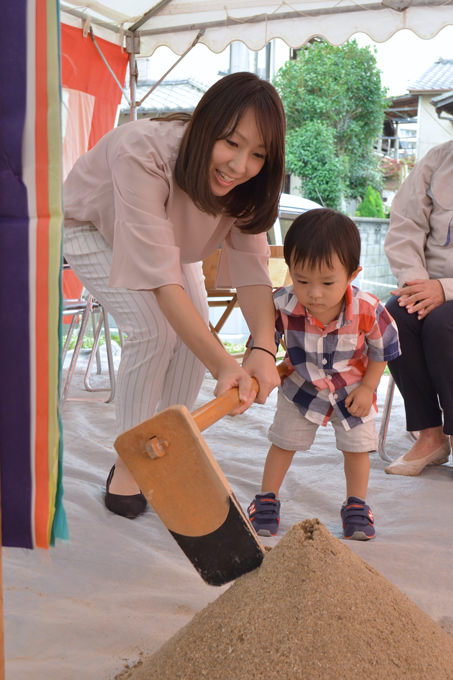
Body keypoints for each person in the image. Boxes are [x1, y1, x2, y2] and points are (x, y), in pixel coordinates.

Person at [63, 72, 285, 519]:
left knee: (187, 338)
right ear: (204, 125)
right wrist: (224, 365)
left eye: (258, 154)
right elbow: (163, 284)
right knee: (154, 332)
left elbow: (252, 269)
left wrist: (262, 345)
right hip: (90, 225)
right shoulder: (142, 149)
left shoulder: (251, 186)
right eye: (231, 143)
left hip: (169, 241)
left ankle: (168, 453)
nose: (240, 166)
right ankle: (131, 461)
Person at [246, 209, 400, 540]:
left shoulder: (368, 308)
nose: (314, 293)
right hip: (299, 389)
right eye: (302, 280)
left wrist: (369, 387)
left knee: (357, 448)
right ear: (290, 271)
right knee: (283, 442)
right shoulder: (281, 305)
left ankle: (356, 505)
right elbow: (261, 345)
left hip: (353, 389)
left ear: (353, 274)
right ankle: (266, 499)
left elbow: (382, 350)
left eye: (327, 283)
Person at [384, 141, 453, 476]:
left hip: (446, 296)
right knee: (396, 314)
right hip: (429, 286)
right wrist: (417, 286)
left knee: (443, 323)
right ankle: (430, 436)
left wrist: (445, 289)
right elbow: (405, 225)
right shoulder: (439, 159)